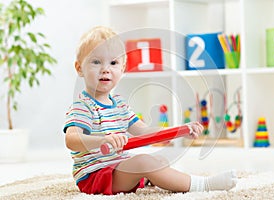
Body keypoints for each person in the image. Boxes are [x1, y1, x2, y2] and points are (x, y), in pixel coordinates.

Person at [63, 26, 237, 195]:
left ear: (122, 69)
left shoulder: (119, 105)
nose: (105, 69)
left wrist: (180, 131)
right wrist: (101, 140)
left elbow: (143, 131)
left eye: (113, 62)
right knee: (144, 162)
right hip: (95, 176)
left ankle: (150, 178)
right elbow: (72, 139)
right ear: (79, 68)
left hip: (117, 167)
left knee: (158, 161)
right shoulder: (83, 106)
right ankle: (202, 185)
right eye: (96, 62)